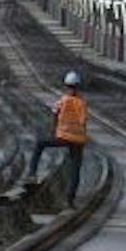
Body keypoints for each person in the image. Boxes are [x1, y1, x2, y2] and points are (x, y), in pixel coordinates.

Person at [28, 71, 89, 204]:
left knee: (40, 144)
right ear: (78, 86)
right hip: (78, 140)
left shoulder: (63, 100)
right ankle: (70, 200)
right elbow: (83, 121)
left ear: (66, 86)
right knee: (75, 170)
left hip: (63, 136)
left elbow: (54, 114)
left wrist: (54, 131)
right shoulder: (82, 103)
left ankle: (32, 173)